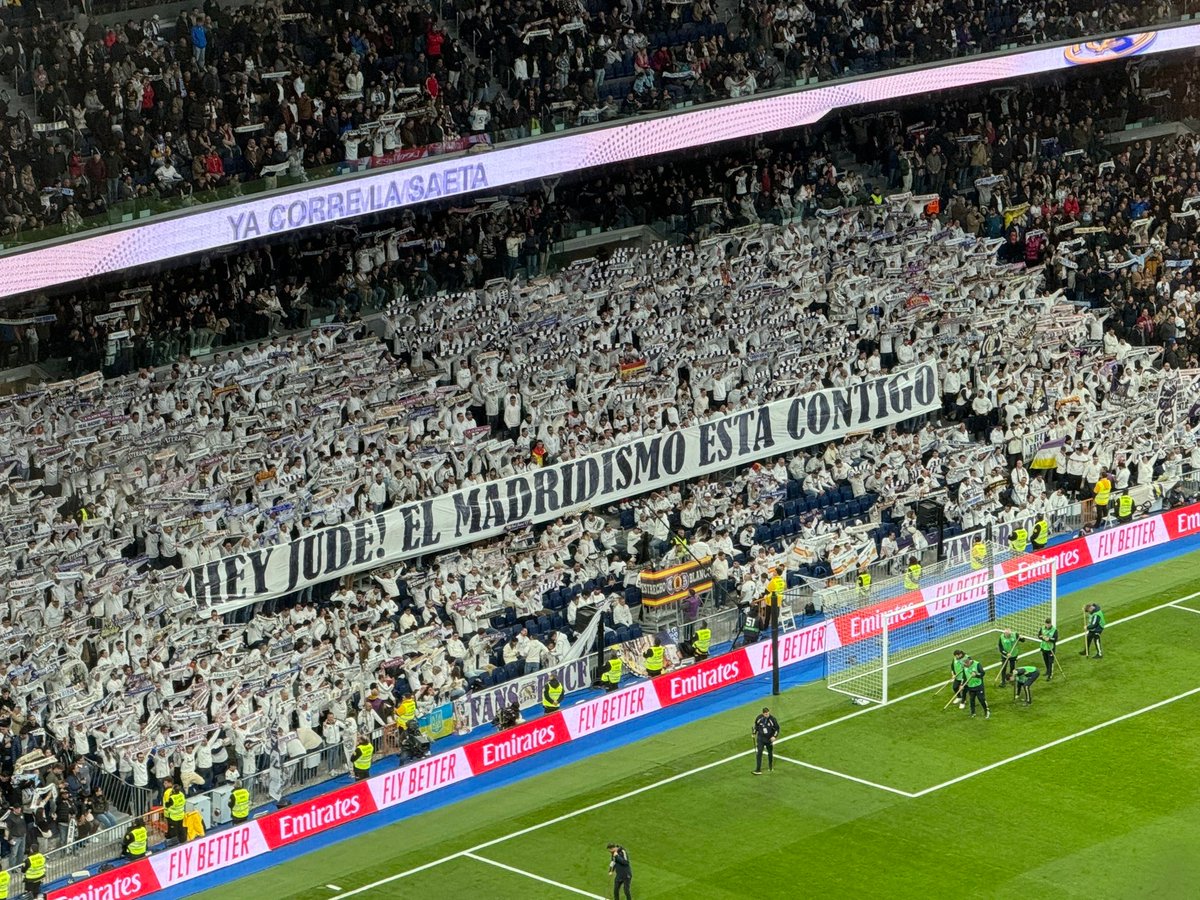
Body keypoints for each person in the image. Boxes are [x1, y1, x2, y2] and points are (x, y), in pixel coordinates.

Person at [752, 706, 780, 774]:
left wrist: (774, 736)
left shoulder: (772, 719)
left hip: (769, 739)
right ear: (763, 713)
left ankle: (770, 766)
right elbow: (756, 726)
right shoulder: (759, 718)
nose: (767, 715)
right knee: (759, 753)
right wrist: (754, 733)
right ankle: (758, 770)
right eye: (766, 714)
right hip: (761, 738)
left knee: (770, 753)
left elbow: (777, 729)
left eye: (768, 713)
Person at [162, 778, 187, 844]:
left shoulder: (171, 796)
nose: (164, 784)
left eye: (165, 783)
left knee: (173, 831)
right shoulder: (181, 794)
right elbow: (184, 802)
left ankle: (174, 844)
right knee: (181, 829)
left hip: (173, 816)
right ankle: (183, 841)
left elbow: (167, 805)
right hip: (180, 814)